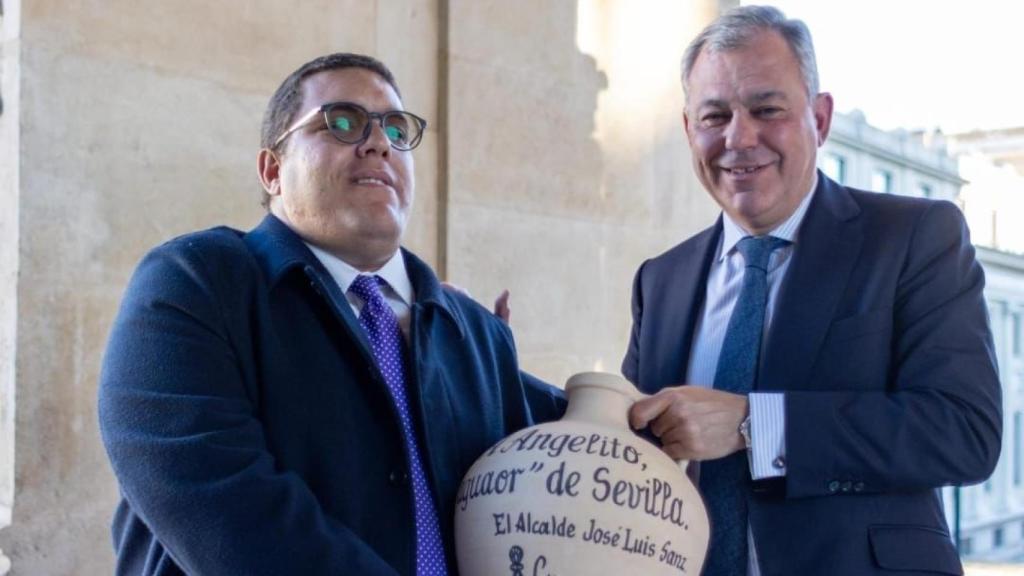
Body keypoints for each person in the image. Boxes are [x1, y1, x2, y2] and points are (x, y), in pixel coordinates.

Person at [98, 53, 563, 576]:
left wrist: (661, 417)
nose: (378, 142)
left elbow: (565, 448)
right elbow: (228, 511)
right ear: (272, 170)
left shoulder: (475, 335)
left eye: (396, 127)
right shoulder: (193, 285)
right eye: (341, 122)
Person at [624, 6, 1001, 575]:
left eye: (766, 110)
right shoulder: (661, 278)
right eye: (714, 115)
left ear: (819, 119)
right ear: (688, 129)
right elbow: (630, 440)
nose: (738, 137)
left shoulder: (916, 237)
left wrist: (756, 425)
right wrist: (483, 347)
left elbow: (964, 431)